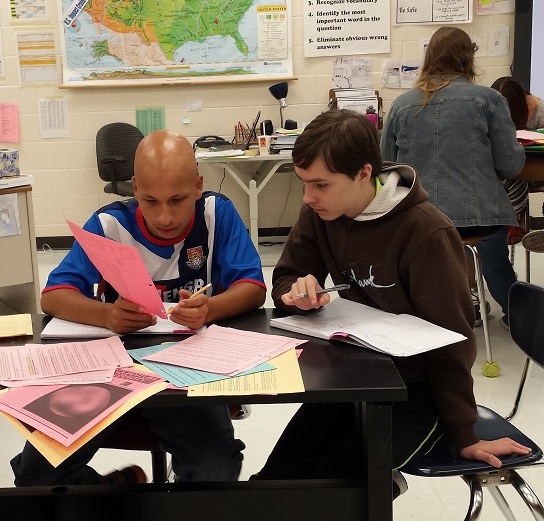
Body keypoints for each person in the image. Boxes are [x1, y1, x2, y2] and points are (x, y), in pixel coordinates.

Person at [250, 109, 531, 499]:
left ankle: (380, 486)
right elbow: (284, 279)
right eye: (303, 184)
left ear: (364, 173)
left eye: (320, 185)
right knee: (274, 483)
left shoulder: (425, 233)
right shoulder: (319, 214)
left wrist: (464, 431)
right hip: (354, 376)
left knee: (337, 491)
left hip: (416, 389)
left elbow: (453, 342)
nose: (308, 197)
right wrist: (294, 292)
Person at [11, 130, 267, 486]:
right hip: (110, 371)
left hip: (187, 371)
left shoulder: (215, 214)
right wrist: (107, 315)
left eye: (178, 200)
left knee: (214, 472)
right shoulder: (108, 224)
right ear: (134, 189)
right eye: (150, 201)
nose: (165, 217)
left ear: (198, 185)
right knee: (36, 474)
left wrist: (210, 309)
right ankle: (120, 489)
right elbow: (53, 295)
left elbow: (253, 288)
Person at [380, 26, 526, 329]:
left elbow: (387, 170)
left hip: (420, 220)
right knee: (496, 265)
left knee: (427, 260)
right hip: (480, 216)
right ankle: (520, 317)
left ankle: (453, 308)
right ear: (468, 57)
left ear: (428, 57)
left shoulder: (401, 105)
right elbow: (511, 165)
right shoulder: (490, 100)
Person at [491, 76, 544, 246]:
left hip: (539, 169)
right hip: (517, 170)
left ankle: (513, 217)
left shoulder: (541, 111)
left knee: (513, 173)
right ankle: (514, 218)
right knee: (507, 172)